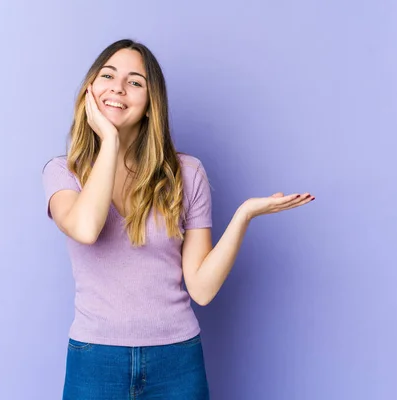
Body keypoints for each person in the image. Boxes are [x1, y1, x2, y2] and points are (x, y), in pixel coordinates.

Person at [41, 38, 314, 399]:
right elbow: (87, 228)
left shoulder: (186, 173)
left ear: (151, 104)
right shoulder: (64, 173)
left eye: (135, 81)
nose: (119, 87)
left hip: (177, 359)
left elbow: (201, 288)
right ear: (90, 89)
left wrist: (244, 215)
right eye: (108, 75)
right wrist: (109, 140)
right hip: (95, 359)